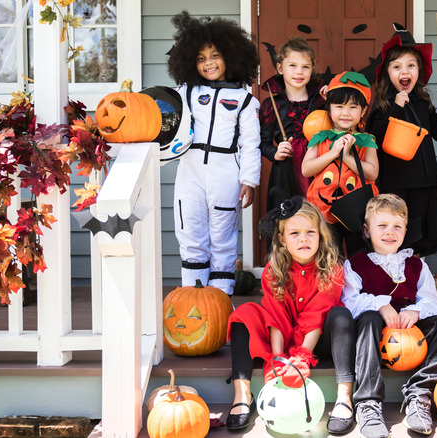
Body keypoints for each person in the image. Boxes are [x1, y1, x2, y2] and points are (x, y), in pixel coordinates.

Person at [226, 198, 356, 434]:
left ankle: (344, 398)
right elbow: (275, 318)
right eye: (294, 233)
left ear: (321, 235)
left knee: (340, 315)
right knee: (244, 313)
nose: (303, 238)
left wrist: (302, 357)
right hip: (283, 336)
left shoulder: (333, 268)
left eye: (310, 232)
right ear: (283, 240)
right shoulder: (272, 270)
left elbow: (316, 316)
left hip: (318, 340)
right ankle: (242, 395)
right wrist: (277, 358)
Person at [341, 194, 437, 437]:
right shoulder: (356, 264)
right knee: (368, 318)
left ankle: (420, 393)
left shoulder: (416, 265)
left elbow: (430, 301)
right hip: (372, 338)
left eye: (397, 226)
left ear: (405, 230)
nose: (389, 232)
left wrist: (415, 310)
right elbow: (348, 301)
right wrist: (380, 305)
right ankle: (368, 402)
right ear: (367, 230)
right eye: (381, 226)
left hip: (408, 335)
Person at [167, 12, 260, 294]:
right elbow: (161, 114)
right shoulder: (185, 93)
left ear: (231, 56)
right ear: (190, 63)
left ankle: (220, 299)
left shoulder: (244, 100)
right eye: (201, 58)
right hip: (190, 170)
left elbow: (250, 143)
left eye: (215, 55)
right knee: (190, 232)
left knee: (223, 237)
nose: (209, 63)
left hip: (225, 173)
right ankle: (193, 296)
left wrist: (250, 180)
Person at [367, 26, 437, 257]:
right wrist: (396, 107)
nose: (404, 71)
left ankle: (415, 273)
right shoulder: (384, 104)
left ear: (418, 70)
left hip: (424, 180)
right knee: (397, 229)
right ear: (388, 72)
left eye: (410, 65)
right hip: (396, 181)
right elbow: (375, 137)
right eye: (397, 67)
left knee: (419, 234)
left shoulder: (422, 102)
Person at [302, 71, 379, 256]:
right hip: (324, 210)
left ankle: (358, 285)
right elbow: (306, 169)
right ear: (329, 109)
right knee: (329, 255)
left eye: (353, 107)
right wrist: (333, 153)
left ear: (363, 111)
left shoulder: (366, 140)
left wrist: (348, 158)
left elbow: (373, 173)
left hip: (357, 211)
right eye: (339, 106)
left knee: (359, 254)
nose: (345, 113)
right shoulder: (320, 137)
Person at [260, 36, 326, 212]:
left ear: (312, 69)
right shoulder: (271, 105)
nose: (299, 72)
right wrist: (275, 152)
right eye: (293, 66)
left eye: (305, 67)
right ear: (280, 68)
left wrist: (332, 101)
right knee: (287, 217)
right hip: (285, 170)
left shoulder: (320, 101)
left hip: (317, 164)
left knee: (315, 215)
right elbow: (262, 142)